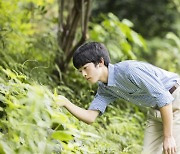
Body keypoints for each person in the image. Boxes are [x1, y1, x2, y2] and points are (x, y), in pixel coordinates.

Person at [56, 42, 180, 154]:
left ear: (100, 62)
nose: (83, 74)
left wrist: (168, 137)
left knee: (171, 150)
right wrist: (65, 103)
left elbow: (164, 98)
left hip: (175, 99)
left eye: (85, 68)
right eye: (80, 71)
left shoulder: (129, 70)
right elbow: (90, 117)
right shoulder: (104, 89)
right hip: (157, 109)